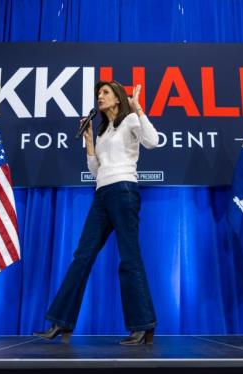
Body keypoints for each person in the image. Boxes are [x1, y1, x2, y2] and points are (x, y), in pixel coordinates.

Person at [34, 81, 159, 346]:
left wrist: (138, 109)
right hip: (102, 194)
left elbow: (153, 141)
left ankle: (142, 325)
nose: (99, 97)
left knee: (129, 258)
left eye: (105, 93)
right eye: (98, 94)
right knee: (82, 256)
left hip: (124, 191)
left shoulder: (129, 122)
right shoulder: (103, 132)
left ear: (117, 99)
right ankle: (61, 322)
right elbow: (95, 170)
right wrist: (90, 142)